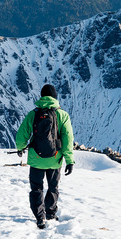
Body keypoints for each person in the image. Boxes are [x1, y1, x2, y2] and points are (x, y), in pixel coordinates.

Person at [15, 84, 75, 229]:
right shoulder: (62, 115)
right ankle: (50, 213)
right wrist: (69, 160)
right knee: (53, 187)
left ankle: (39, 217)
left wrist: (20, 148)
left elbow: (22, 134)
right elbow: (68, 139)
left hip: (36, 159)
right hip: (55, 160)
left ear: (41, 96)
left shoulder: (33, 114)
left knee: (36, 188)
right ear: (55, 97)